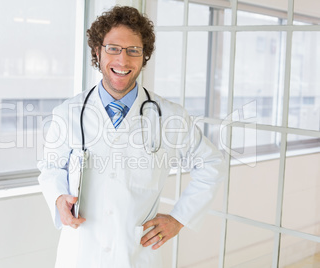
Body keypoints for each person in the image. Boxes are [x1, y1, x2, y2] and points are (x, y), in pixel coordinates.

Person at [38, 5, 226, 268]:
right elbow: (50, 168)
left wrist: (179, 218)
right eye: (113, 48)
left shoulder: (169, 117)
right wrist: (59, 198)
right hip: (80, 253)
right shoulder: (68, 113)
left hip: (136, 255)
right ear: (97, 51)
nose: (123, 61)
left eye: (133, 51)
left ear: (144, 55)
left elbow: (212, 164)